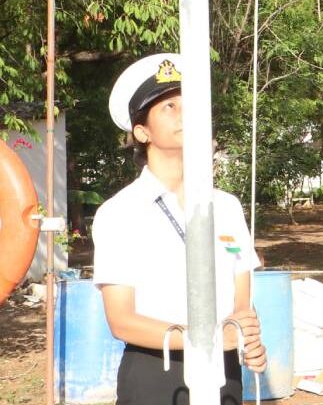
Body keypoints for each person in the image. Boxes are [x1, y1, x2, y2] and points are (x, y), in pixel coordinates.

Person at [91, 53, 267, 405]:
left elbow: (242, 294)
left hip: (224, 372)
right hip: (156, 373)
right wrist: (203, 340)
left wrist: (245, 335)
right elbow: (121, 321)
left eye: (190, 104)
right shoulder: (119, 212)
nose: (185, 113)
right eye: (169, 106)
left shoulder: (227, 207)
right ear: (141, 131)